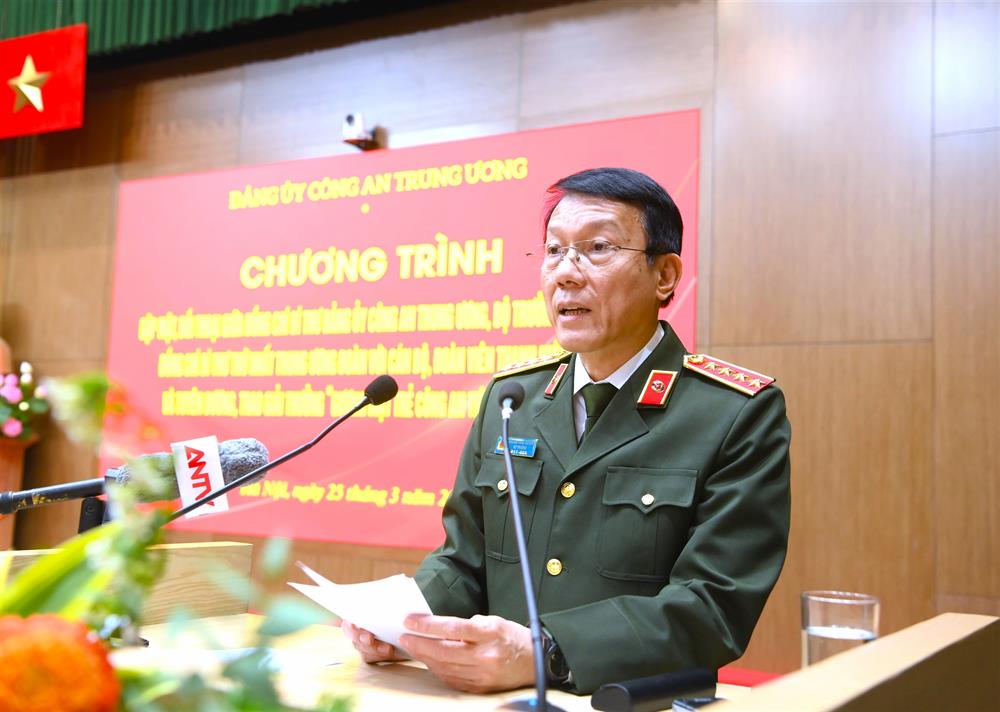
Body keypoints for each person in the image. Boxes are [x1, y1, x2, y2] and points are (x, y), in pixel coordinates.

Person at [342, 167, 791, 695]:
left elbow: (713, 605)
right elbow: (465, 559)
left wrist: (547, 652)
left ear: (665, 275)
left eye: (597, 248)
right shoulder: (513, 399)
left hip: (631, 703)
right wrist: (405, 623)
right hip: (497, 701)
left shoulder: (733, 412)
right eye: (554, 251)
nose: (566, 274)